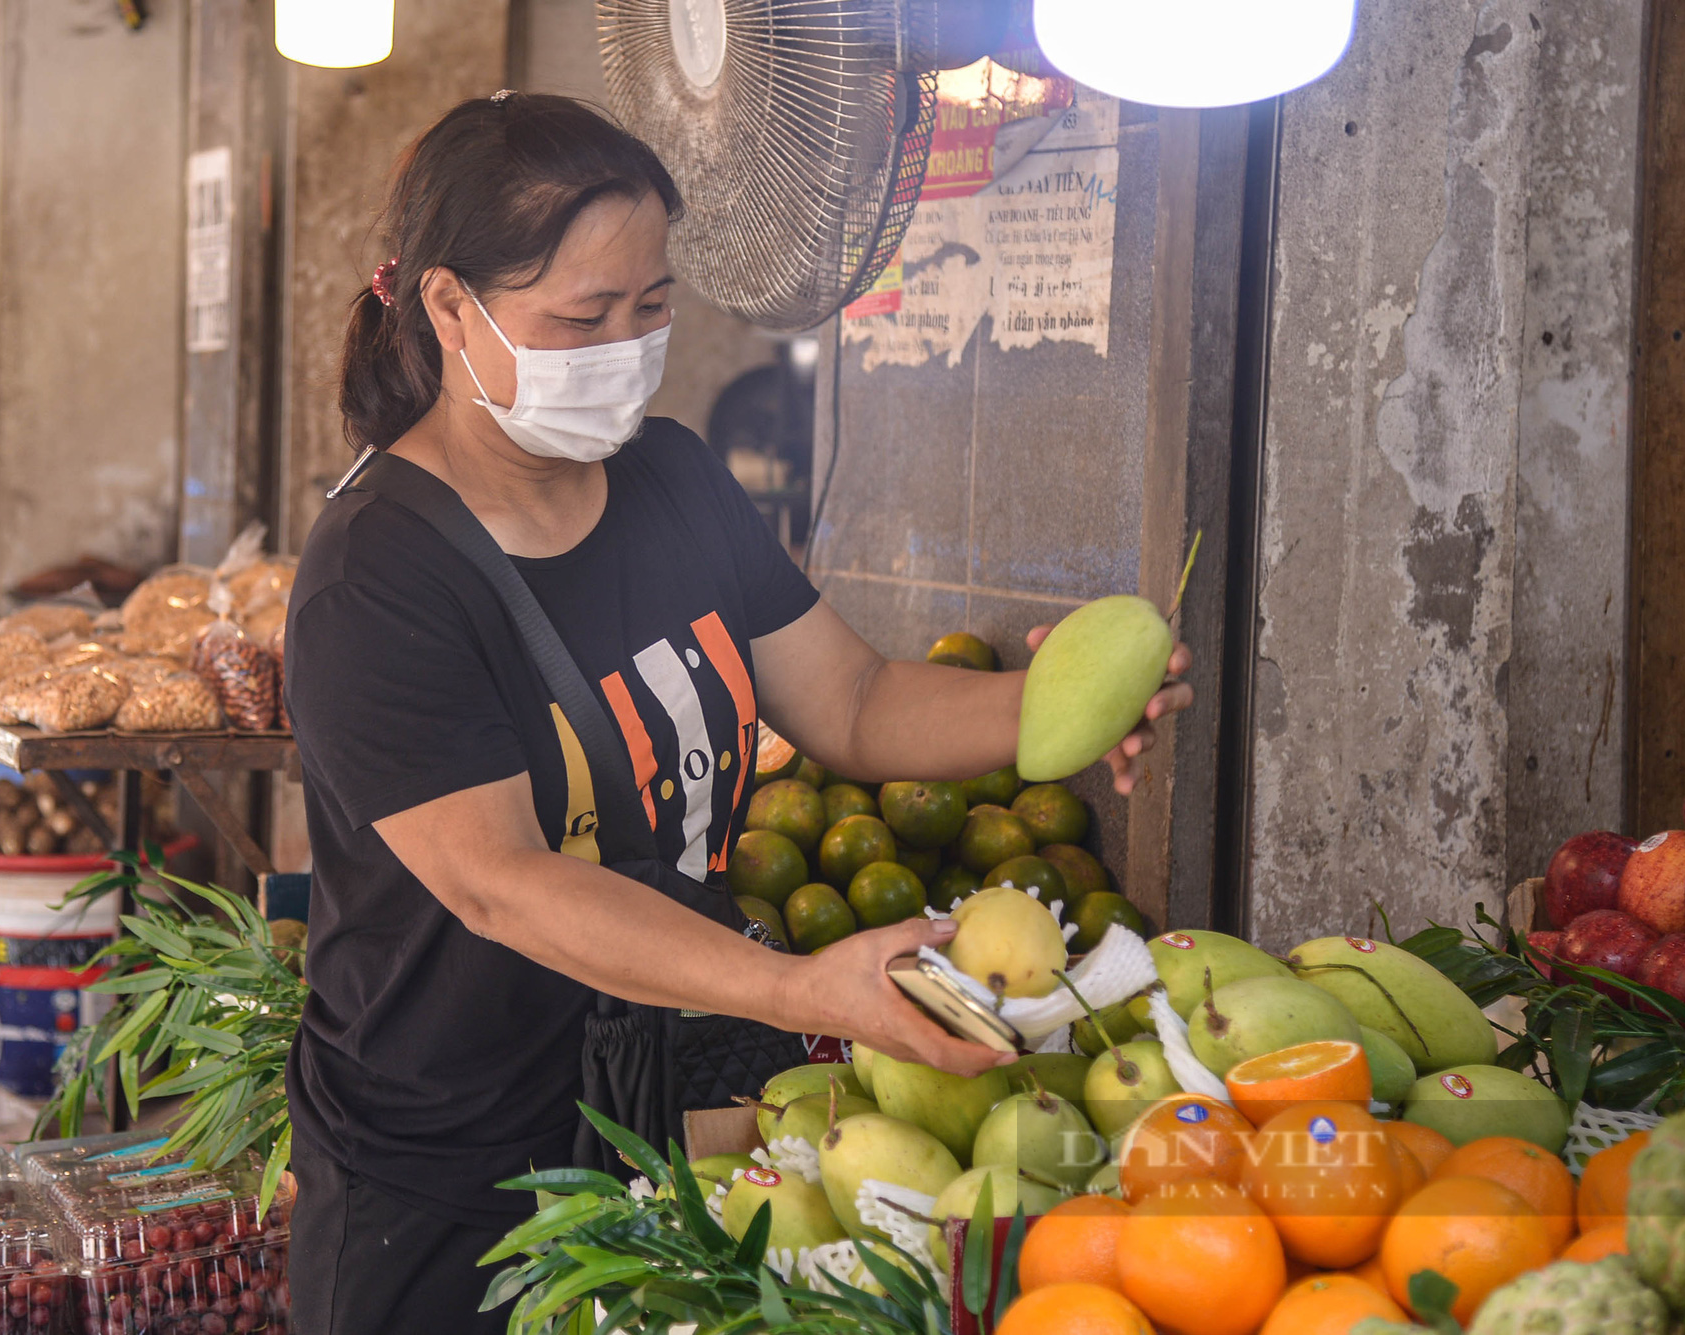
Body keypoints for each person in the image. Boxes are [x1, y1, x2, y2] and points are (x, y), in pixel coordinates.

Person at [281, 91, 1194, 1334]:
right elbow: (502, 882)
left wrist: (1049, 710)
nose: (624, 342)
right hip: (452, 1180)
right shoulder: (375, 576)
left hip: (673, 1123)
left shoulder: (670, 479)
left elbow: (858, 704)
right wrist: (804, 991)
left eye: (649, 305)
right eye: (581, 317)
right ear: (449, 307)